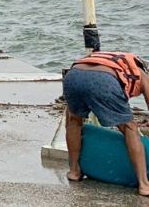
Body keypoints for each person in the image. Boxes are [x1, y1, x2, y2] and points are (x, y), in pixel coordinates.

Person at [63, 50, 149, 195]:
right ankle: (144, 185)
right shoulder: (142, 73)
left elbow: (70, 111)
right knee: (130, 128)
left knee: (74, 120)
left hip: (73, 76)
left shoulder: (110, 59)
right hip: (103, 81)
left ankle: (74, 171)